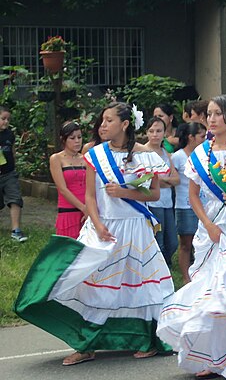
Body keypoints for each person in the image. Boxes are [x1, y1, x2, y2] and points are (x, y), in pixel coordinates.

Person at [15, 102, 174, 365]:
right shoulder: (95, 154)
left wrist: (125, 193)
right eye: (102, 120)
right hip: (103, 227)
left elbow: (154, 194)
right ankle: (85, 343)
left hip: (135, 228)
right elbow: (90, 195)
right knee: (88, 284)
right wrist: (98, 224)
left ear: (124, 124)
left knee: (140, 289)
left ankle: (147, 339)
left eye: (109, 121)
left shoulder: (145, 155)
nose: (102, 125)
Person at [157, 95, 226, 379]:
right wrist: (208, 224)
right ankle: (212, 357)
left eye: (219, 114)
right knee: (212, 292)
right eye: (210, 114)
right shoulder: (200, 154)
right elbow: (193, 195)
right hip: (212, 230)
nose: (213, 119)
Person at [171, 121, 207, 283]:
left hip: (204, 205)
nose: (205, 139)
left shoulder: (206, 155)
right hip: (184, 206)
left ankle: (202, 274)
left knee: (204, 241)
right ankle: (186, 278)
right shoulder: (178, 157)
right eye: (202, 136)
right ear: (191, 137)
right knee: (186, 243)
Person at [145, 116, 180, 267]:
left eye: (159, 131)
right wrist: (163, 181)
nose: (155, 134)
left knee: (172, 241)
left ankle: (165, 265)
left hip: (167, 202)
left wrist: (161, 180)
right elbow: (146, 179)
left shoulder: (165, 152)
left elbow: (176, 179)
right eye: (151, 131)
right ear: (146, 132)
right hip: (152, 202)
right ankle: (161, 269)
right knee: (158, 240)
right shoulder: (143, 152)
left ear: (165, 133)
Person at [49, 121, 87, 239]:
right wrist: (83, 208)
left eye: (79, 137)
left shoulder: (86, 158)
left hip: (89, 210)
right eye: (72, 138)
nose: (77, 141)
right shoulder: (56, 158)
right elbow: (62, 189)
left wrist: (90, 209)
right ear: (63, 139)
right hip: (69, 210)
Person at [0, 105, 28, 242]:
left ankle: (16, 230)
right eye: (3, 118)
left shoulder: (9, 135)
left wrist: (14, 166)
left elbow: (12, 151)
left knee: (15, 199)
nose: (6, 122)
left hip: (9, 173)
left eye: (8, 119)